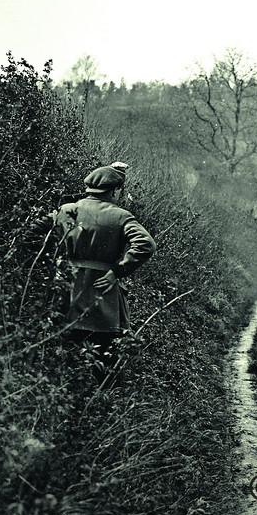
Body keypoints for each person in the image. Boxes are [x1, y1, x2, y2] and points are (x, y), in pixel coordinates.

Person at [33, 163, 156, 382]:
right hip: (103, 297)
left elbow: (30, 233)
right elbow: (145, 244)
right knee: (102, 359)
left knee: (66, 352)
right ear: (114, 191)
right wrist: (117, 272)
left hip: (67, 292)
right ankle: (97, 402)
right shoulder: (120, 216)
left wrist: (52, 265)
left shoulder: (67, 210)